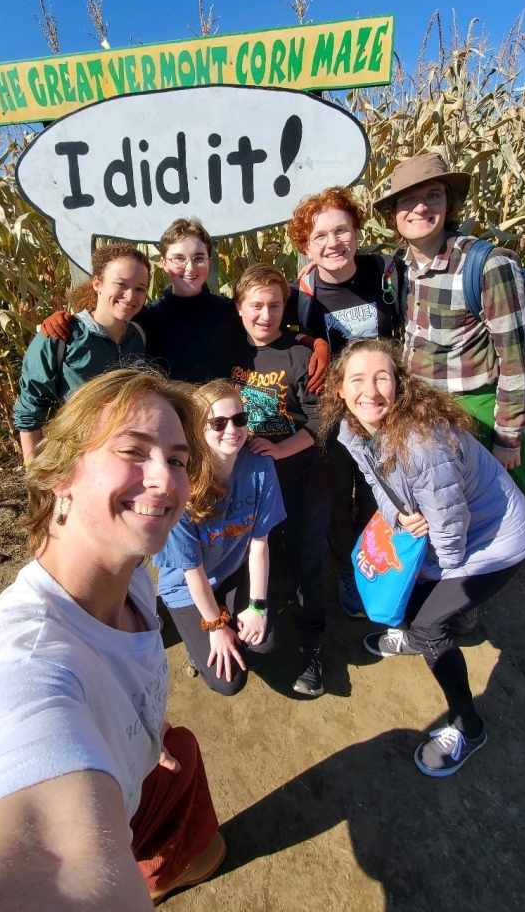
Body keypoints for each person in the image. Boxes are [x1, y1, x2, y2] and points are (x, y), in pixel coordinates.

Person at [0, 368, 225, 911]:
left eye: (175, 459)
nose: (165, 480)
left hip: (144, 774)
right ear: (61, 476)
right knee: (207, 854)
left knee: (187, 761)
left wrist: (144, 733)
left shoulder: (130, 579)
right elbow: (38, 855)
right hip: (116, 808)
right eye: (133, 450)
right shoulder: (20, 668)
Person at [319, 338, 525, 776]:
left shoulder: (423, 444)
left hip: (496, 542)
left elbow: (451, 533)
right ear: (339, 389)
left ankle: (467, 724)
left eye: (383, 377)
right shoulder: (353, 428)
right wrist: (400, 517)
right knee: (416, 594)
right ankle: (418, 637)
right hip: (456, 530)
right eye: (357, 380)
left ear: (400, 385)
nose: (371, 391)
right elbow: (377, 485)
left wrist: (432, 577)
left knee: (429, 620)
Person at [373, 153, 525, 494]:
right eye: (408, 199)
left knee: (487, 515)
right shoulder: (398, 267)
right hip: (420, 410)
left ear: (450, 203)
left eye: (433, 195)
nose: (420, 208)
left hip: (473, 413)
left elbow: (516, 362)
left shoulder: (487, 266)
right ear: (393, 213)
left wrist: (507, 439)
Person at [285, 186, 403, 618]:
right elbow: (270, 328)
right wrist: (310, 338)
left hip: (383, 407)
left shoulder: (387, 272)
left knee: (382, 491)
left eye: (342, 231)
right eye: (320, 237)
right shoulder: (303, 290)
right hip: (334, 412)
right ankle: (348, 570)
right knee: (335, 496)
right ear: (306, 245)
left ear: (357, 231)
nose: (333, 243)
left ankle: (376, 564)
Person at [39, 217, 329, 387]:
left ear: (209, 261)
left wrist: (314, 343)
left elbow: (272, 323)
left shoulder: (228, 311)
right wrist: (69, 319)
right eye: (178, 259)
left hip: (220, 425)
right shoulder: (145, 318)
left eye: (198, 258)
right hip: (169, 427)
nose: (189, 268)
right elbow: (105, 320)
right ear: (164, 263)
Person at [230, 264, 331, 698]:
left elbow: (321, 420)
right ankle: (247, 626)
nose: (265, 314)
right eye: (256, 305)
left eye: (275, 305)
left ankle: (312, 648)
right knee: (254, 555)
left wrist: (281, 449)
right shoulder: (228, 351)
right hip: (249, 484)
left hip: (301, 476)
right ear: (239, 309)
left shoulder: (301, 356)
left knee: (308, 558)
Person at [154, 380, 286, 695]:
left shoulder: (260, 467)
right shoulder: (182, 484)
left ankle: (232, 624)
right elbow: (191, 570)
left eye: (240, 419)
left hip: (231, 569)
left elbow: (259, 545)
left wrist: (257, 607)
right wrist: (215, 626)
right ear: (199, 429)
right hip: (188, 587)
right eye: (219, 422)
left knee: (264, 642)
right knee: (229, 682)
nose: (233, 429)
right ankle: (194, 641)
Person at [13, 242, 150, 462]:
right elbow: (30, 414)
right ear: (97, 283)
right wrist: (35, 476)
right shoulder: (60, 337)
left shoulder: (138, 336)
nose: (130, 296)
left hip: (127, 460)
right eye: (121, 284)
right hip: (75, 460)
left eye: (140, 288)